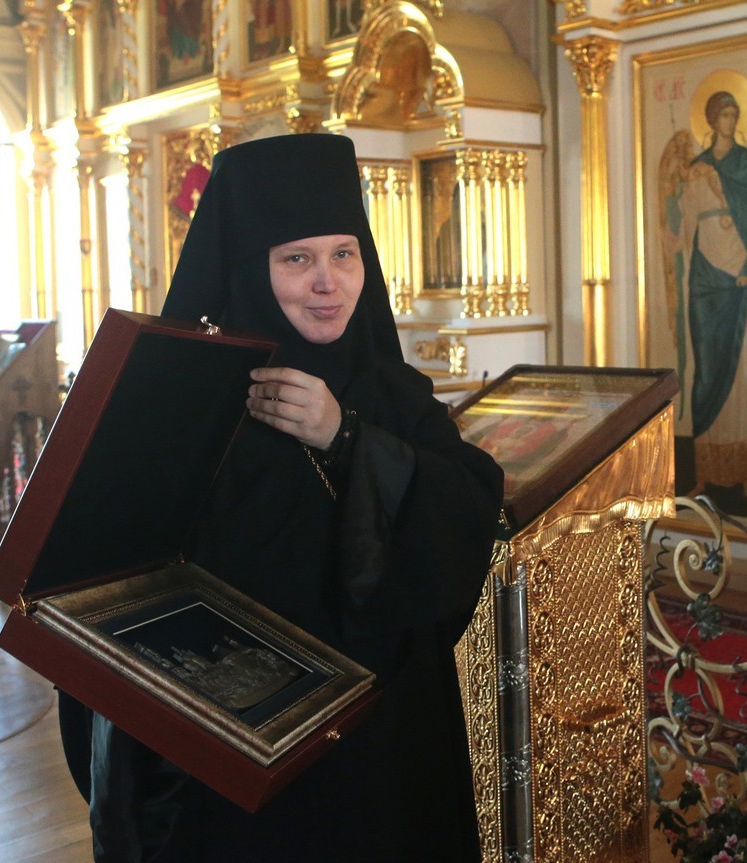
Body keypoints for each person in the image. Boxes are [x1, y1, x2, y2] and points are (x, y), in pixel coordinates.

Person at [56, 133, 504, 862]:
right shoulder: (182, 404)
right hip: (238, 769)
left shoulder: (391, 392)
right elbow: (107, 584)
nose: (328, 282)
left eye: (344, 253)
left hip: (384, 752)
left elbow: (469, 506)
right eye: (296, 259)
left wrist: (345, 435)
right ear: (249, 270)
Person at [665, 90, 747, 516]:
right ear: (712, 120)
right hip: (706, 279)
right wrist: (668, 235)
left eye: (734, 114)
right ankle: (704, 473)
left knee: (746, 369)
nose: (730, 121)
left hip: (741, 276)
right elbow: (684, 226)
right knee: (708, 367)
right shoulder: (697, 169)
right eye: (724, 115)